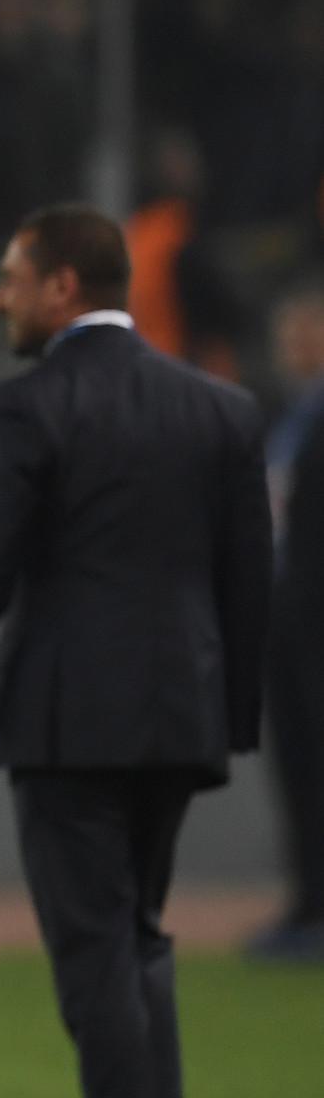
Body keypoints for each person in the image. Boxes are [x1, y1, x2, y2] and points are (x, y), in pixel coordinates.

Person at [0, 206, 271, 1098]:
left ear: (62, 286)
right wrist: (230, 714)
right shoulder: (220, 410)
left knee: (96, 955)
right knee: (140, 940)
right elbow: (249, 578)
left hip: (69, 718)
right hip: (179, 715)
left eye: (11, 279)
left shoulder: (29, 408)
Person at [254, 290, 324, 962]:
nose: (295, 350)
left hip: (315, 611)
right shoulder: (288, 417)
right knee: (295, 761)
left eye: (308, 336)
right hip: (284, 613)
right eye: (289, 338)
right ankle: (307, 903)